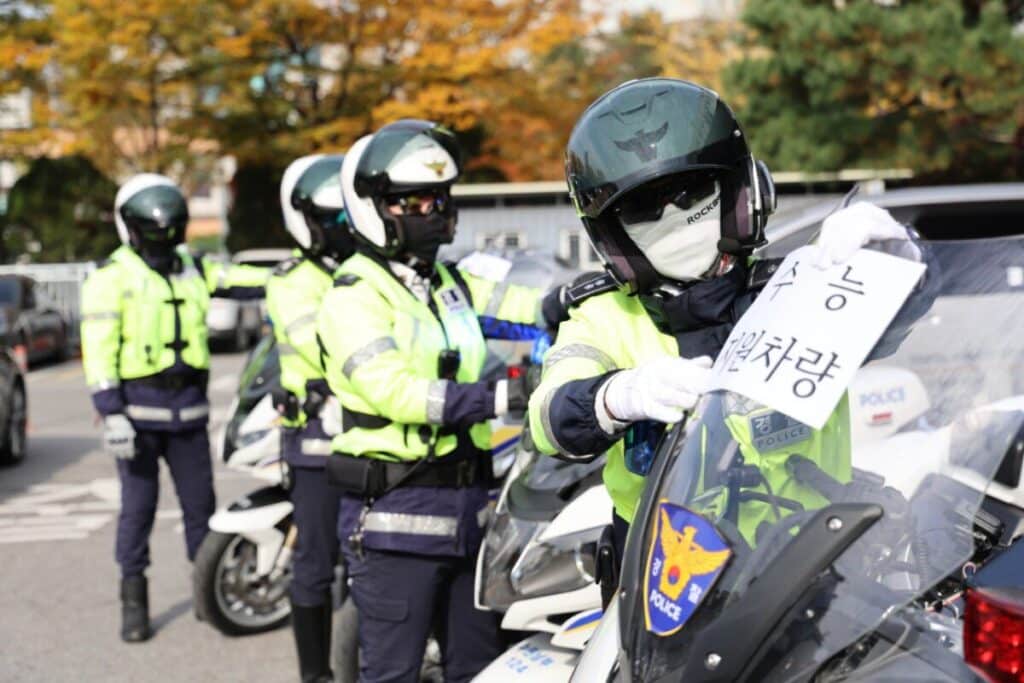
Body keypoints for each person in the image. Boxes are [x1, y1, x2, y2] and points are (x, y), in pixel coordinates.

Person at [527, 78, 927, 592]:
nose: (673, 216)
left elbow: (901, 313)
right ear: (612, 234)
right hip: (662, 579)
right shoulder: (601, 316)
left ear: (740, 191)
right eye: (646, 206)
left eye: (690, 191)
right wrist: (614, 396)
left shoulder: (804, 287)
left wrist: (899, 258)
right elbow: (548, 420)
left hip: (814, 563)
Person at [317, 119, 554, 683]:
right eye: (416, 201)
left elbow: (524, 306)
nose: (435, 211)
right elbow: (395, 391)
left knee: (478, 666)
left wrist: (576, 296)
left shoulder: (446, 281)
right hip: (399, 516)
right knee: (394, 673)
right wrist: (506, 395)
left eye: (441, 198)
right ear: (375, 208)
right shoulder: (354, 296)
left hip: (470, 508)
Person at [80, 174, 269, 642]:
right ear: (132, 228)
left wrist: (300, 273)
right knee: (138, 510)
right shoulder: (112, 278)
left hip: (188, 414)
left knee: (200, 508)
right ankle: (133, 602)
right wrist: (111, 410)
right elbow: (99, 347)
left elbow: (247, 281)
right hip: (137, 419)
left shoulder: (195, 268)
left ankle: (207, 595)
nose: (164, 240)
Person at [265, 154, 354, 682]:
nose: (343, 230)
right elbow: (319, 347)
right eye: (333, 220)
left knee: (368, 563)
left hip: (370, 442)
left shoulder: (369, 272)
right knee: (315, 565)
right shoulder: (292, 282)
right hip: (318, 446)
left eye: (348, 217)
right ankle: (315, 675)